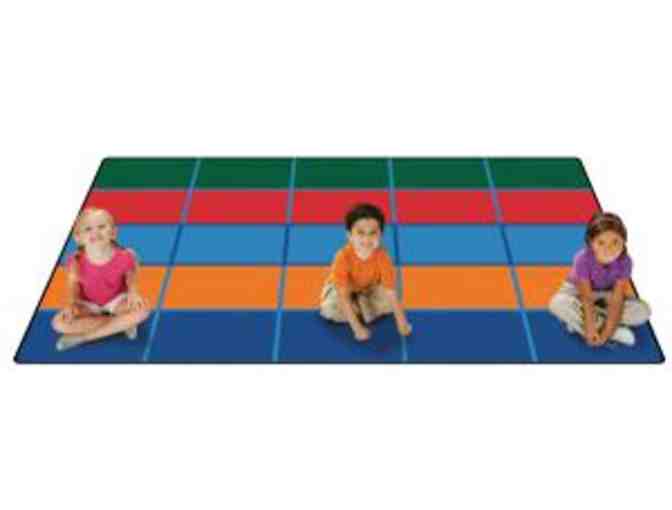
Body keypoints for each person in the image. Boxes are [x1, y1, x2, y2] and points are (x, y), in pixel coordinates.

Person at [51, 207, 150, 351]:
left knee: (143, 310)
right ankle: (120, 324)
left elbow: (131, 277)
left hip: (116, 301)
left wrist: (133, 293)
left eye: (102, 227)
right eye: (88, 229)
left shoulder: (126, 256)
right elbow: (72, 286)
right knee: (58, 323)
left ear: (113, 232)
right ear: (78, 238)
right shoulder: (75, 260)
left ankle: (83, 337)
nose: (95, 232)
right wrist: (70, 304)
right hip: (86, 304)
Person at [549, 212, 651, 347]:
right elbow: (586, 298)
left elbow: (617, 299)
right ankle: (613, 332)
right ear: (591, 243)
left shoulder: (625, 261)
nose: (609, 249)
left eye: (615, 242)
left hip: (606, 295)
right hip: (578, 293)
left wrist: (606, 333)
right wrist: (591, 329)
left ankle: (583, 321)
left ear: (624, 241)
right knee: (557, 303)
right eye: (601, 243)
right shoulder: (582, 259)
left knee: (643, 311)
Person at [319, 203, 412, 342]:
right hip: (342, 290)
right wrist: (357, 328)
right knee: (329, 310)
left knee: (391, 303)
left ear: (380, 235)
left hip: (369, 288)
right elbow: (343, 295)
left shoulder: (382, 255)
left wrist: (402, 322)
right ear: (349, 235)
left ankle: (359, 306)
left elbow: (390, 291)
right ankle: (361, 308)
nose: (367, 239)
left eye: (373, 233)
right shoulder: (342, 257)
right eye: (360, 233)